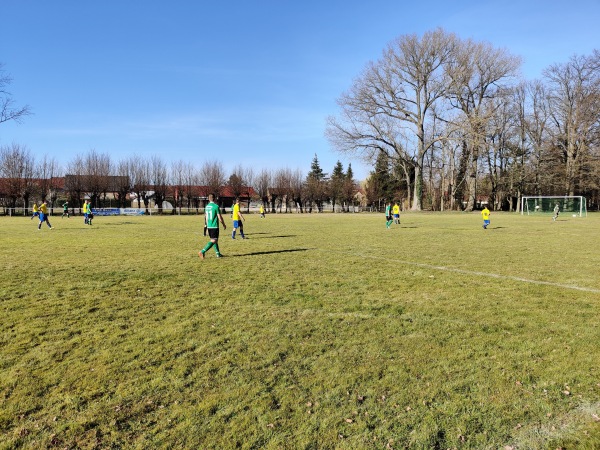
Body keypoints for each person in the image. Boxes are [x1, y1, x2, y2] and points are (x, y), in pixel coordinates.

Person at [199, 193, 226, 259]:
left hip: (209, 225)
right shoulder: (216, 206)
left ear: (209, 199)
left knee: (214, 240)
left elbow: (206, 217)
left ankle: (218, 254)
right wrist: (223, 224)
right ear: (215, 198)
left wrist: (207, 227)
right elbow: (220, 217)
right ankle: (202, 251)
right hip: (214, 226)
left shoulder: (207, 206)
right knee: (214, 240)